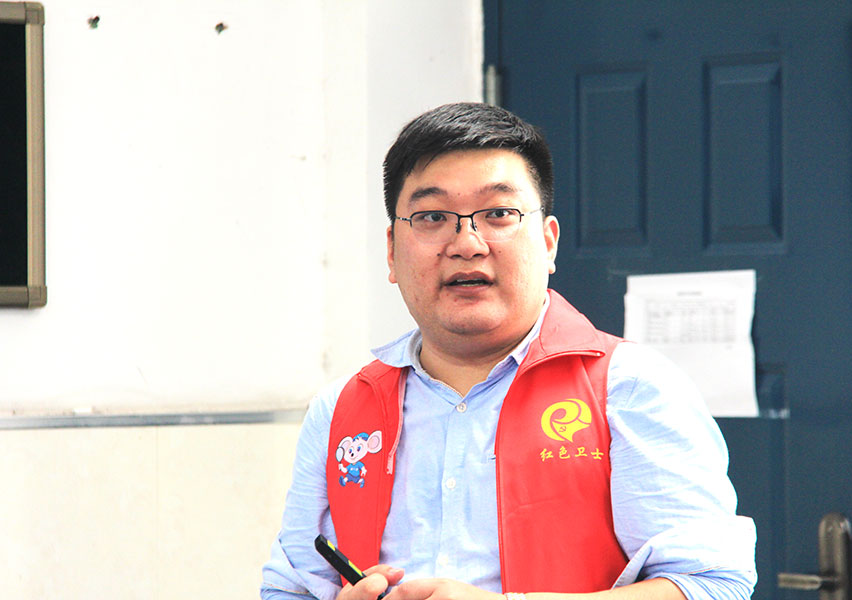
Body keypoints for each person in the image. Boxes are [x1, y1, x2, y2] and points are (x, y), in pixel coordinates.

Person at [261, 102, 757, 600]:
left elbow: (713, 585)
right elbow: (289, 588)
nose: (467, 243)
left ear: (548, 242)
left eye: (498, 214)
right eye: (432, 217)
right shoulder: (341, 409)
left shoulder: (630, 387)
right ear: (391, 251)